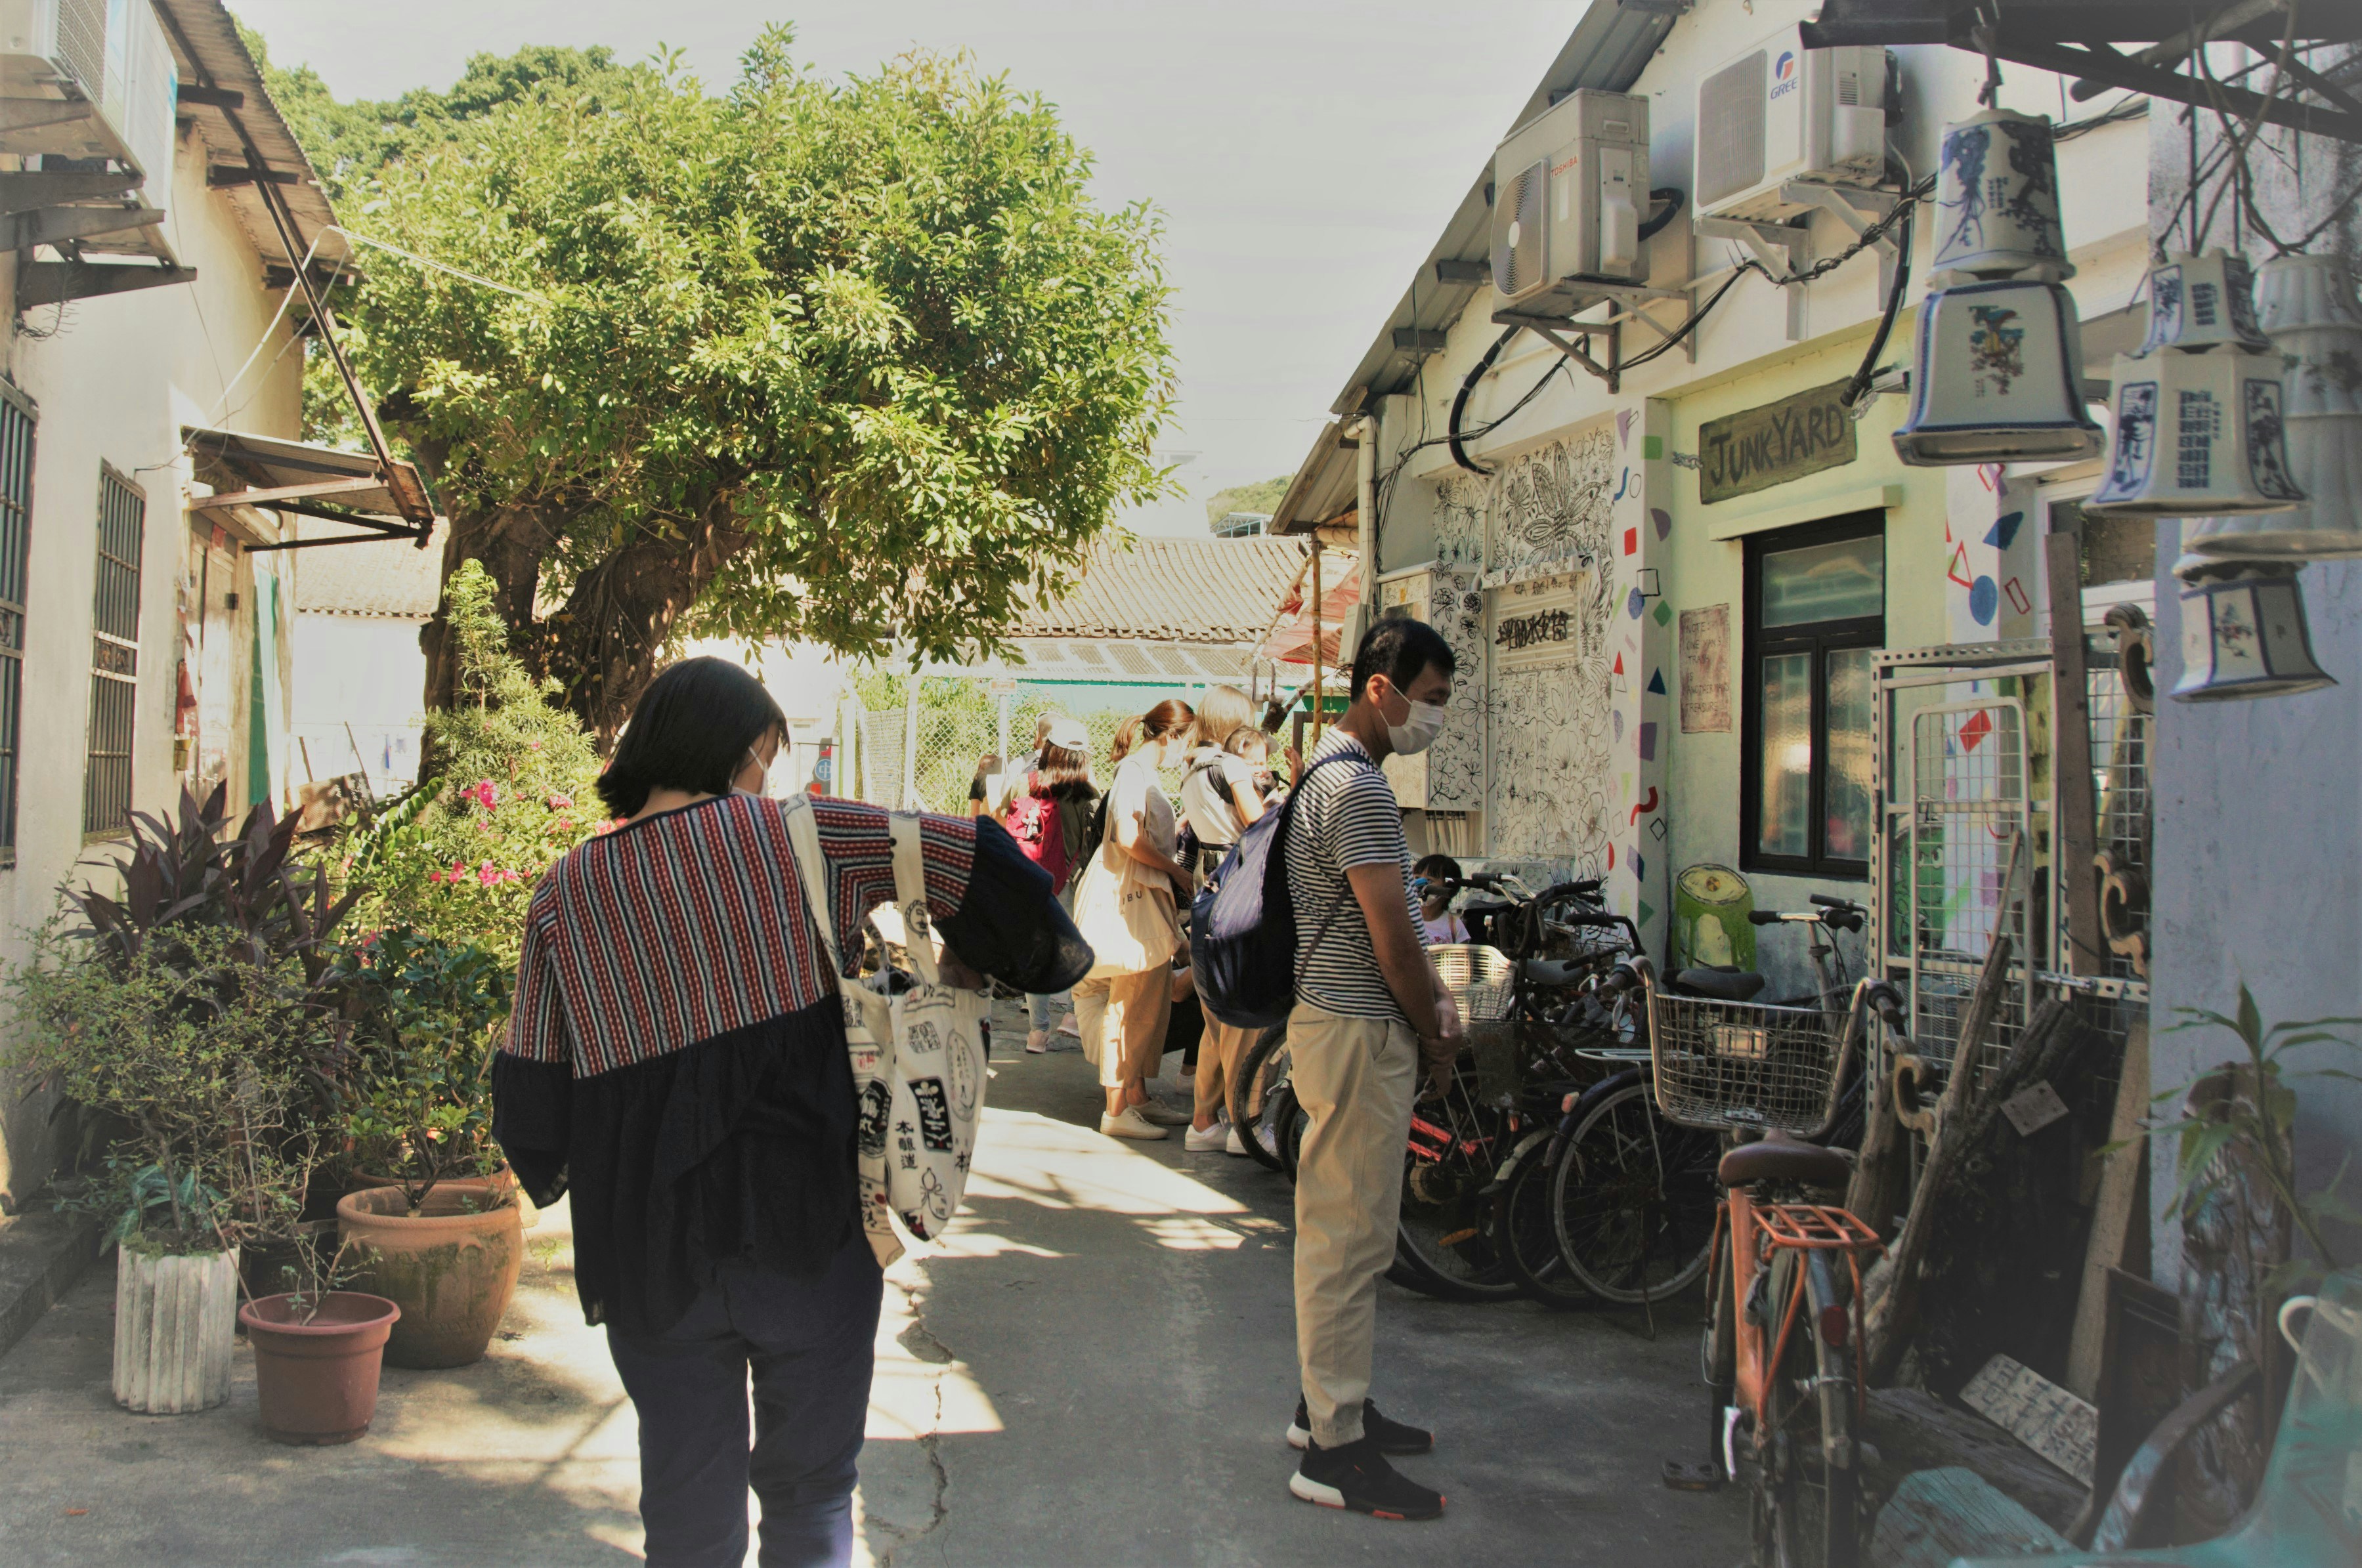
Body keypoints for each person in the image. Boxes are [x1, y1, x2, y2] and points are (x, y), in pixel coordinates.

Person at [491, 656, 1088, 1568]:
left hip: (652, 1249)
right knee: (813, 1499)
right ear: (739, 749)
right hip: (807, 1224)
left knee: (686, 1514)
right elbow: (975, 855)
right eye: (766, 753)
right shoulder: (800, 832)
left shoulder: (564, 890)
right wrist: (983, 959)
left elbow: (531, 1089)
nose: (768, 773)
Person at [1281, 618, 1461, 1521]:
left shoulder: (1326, 771)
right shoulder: (1357, 790)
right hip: (1356, 1028)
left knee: (1346, 1229)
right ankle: (1332, 1450)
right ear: (1379, 688)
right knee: (1348, 1239)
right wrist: (1432, 1022)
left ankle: (1330, 1402)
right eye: (1428, 698)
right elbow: (1392, 935)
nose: (1435, 716)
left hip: (1336, 1023)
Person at [1071, 699, 1195, 1140]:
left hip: (1142, 899)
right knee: (1129, 1005)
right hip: (1132, 901)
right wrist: (1174, 867)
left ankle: (1136, 1094)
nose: (1188, 750)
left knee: (1148, 1002)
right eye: (1189, 739)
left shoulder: (1142, 772)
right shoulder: (1135, 772)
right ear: (1171, 735)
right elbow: (1128, 836)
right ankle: (1117, 1106)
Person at [1176, 686, 1269, 1155]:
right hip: (1239, 889)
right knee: (1242, 1016)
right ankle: (1245, 1123)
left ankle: (1204, 1120)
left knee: (1214, 1017)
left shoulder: (1192, 769)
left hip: (1205, 892)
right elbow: (1257, 823)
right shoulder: (1231, 766)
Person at [1006, 717, 1098, 1053]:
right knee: (1079, 950)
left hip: (1030, 879)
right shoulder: (1087, 793)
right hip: (1071, 882)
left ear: (1048, 750)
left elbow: (1003, 819)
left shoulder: (1024, 782)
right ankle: (1072, 1016)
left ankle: (1037, 1033)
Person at [1411, 854, 1470, 945]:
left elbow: (1463, 957)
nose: (1419, 885)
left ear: (1448, 887)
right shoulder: (1403, 919)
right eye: (1417, 878)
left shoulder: (1454, 925)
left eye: (1429, 880)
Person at [964, 753, 1002, 819]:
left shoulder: (978, 778)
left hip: (989, 816)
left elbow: (974, 813)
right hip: (1006, 812)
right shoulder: (1004, 777)